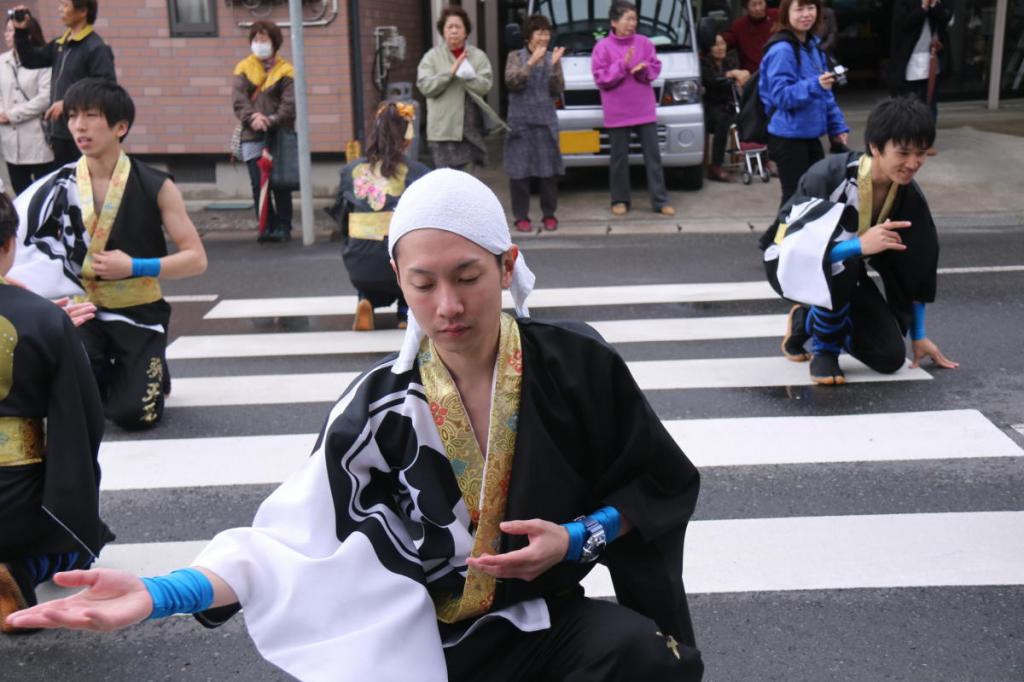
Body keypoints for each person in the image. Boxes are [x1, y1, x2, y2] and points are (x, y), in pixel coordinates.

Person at [5, 169, 704, 682]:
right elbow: (288, 540)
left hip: (543, 621)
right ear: (397, 280)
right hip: (415, 639)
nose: (448, 304)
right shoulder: (378, 405)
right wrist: (161, 593)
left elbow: (659, 482)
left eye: (468, 276)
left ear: (506, 264)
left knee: (644, 658)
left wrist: (578, 538)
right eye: (423, 283)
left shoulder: (574, 364)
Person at [8, 79, 207, 430]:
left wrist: (135, 266)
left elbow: (196, 259)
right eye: (72, 116)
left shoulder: (155, 185)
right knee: (72, 402)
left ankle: (146, 362)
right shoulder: (56, 186)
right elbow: (18, 239)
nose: (78, 126)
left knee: (135, 415)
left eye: (91, 116)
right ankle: (111, 371)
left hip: (138, 312)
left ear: (120, 127)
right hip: (82, 311)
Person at [762, 97, 958, 384]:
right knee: (847, 264)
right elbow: (794, 248)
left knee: (889, 357)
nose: (913, 163)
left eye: (921, 153)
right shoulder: (826, 178)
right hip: (787, 265)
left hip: (844, 272)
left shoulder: (908, 197)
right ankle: (825, 352)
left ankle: (807, 320)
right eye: (903, 152)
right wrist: (858, 246)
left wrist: (919, 336)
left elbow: (919, 268)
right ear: (876, 147)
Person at [0, 191, 114, 634]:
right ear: (10, 243)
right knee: (82, 543)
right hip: (14, 499)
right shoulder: (44, 318)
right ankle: (20, 575)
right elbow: (83, 420)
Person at [328, 101, 429, 331]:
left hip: (358, 264)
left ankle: (365, 300)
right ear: (406, 136)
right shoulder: (418, 172)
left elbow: (342, 220)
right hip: (398, 267)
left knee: (361, 240)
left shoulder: (350, 171)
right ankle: (405, 311)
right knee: (409, 245)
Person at [759, 0, 849, 207]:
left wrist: (837, 127)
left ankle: (795, 239)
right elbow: (780, 96)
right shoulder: (782, 49)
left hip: (810, 135)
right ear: (786, 13)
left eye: (811, 8)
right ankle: (774, 240)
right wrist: (814, 85)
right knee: (794, 198)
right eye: (799, 9)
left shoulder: (812, 45)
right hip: (787, 137)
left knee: (813, 196)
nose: (806, 14)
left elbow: (826, 94)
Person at [592, 1, 675, 217]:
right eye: (627, 19)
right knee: (619, 159)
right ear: (614, 22)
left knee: (653, 157)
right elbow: (601, 79)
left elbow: (654, 68)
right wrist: (622, 65)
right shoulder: (602, 47)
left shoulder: (645, 43)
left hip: (644, 109)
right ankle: (619, 200)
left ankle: (660, 200)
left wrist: (642, 70)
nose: (632, 23)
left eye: (634, 19)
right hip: (617, 112)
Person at [11, 1, 116, 167]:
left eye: (65, 5)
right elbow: (30, 60)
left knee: (83, 186)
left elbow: (106, 88)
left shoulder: (96, 47)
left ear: (82, 11)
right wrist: (21, 31)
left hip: (83, 133)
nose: (60, 9)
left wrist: (68, 103)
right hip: (59, 132)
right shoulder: (61, 43)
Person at [417, 5, 504, 170]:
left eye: (458, 26)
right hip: (443, 131)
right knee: (444, 183)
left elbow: (486, 85)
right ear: (443, 31)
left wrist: (469, 77)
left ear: (466, 31)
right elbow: (425, 86)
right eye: (449, 26)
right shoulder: (431, 57)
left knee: (467, 182)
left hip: (470, 130)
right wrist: (450, 73)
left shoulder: (478, 56)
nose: (454, 31)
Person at [232, 20, 296, 244]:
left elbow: (289, 105)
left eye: (264, 39)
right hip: (252, 135)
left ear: (274, 42)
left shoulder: (286, 71)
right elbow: (239, 101)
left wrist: (271, 120)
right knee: (258, 183)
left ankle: (284, 226)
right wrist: (253, 118)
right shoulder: (243, 68)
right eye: (256, 40)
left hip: (279, 135)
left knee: (280, 183)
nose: (259, 44)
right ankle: (266, 226)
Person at [503, 14, 565, 233]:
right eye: (539, 32)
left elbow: (557, 90)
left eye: (547, 32)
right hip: (521, 122)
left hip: (545, 121)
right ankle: (521, 217)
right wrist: (530, 63)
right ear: (529, 36)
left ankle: (549, 214)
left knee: (548, 172)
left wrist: (554, 67)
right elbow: (512, 82)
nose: (544, 37)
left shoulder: (552, 57)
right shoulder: (515, 56)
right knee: (519, 172)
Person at [0, 16, 55, 195]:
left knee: (43, 192)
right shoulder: (2, 61)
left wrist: (12, 115)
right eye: (6, 30)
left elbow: (45, 97)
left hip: (37, 139)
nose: (6, 34)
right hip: (10, 140)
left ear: (27, 33)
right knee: (19, 191)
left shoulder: (42, 60)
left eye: (11, 30)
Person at [889, 0, 950, 123]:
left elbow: (945, 19)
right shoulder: (904, 4)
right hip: (910, 61)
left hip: (932, 59)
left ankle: (927, 137)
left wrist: (933, 5)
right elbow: (903, 24)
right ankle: (908, 136)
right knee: (908, 104)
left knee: (930, 102)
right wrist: (923, 7)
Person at [700, 32, 749, 183]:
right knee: (722, 120)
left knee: (755, 115)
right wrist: (732, 75)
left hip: (730, 105)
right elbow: (713, 81)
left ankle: (761, 160)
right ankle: (716, 166)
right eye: (716, 44)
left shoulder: (729, 61)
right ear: (709, 48)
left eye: (723, 44)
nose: (721, 48)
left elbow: (743, 76)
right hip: (710, 106)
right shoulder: (703, 63)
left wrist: (740, 74)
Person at [724, 0, 780, 73]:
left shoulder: (777, 16)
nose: (758, 8)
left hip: (777, 68)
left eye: (761, 3)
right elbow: (724, 43)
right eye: (753, 5)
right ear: (746, 7)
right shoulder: (739, 26)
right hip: (753, 75)